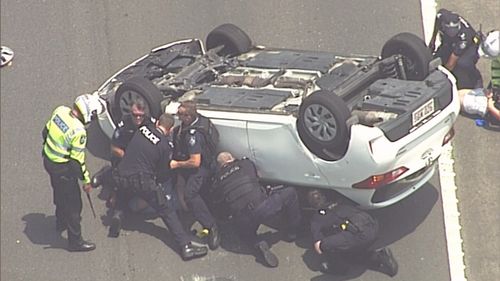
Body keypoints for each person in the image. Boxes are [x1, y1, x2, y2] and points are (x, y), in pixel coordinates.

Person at [113, 113, 208, 260]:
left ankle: (118, 214)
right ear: (170, 130)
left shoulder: (142, 129)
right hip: (142, 181)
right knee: (166, 210)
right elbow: (163, 170)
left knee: (124, 191)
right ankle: (185, 246)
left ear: (157, 123)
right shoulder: (164, 146)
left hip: (121, 175)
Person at [208, 152, 303, 268]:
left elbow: (218, 203)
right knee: (291, 193)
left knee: (244, 234)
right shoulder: (245, 164)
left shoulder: (218, 180)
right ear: (231, 158)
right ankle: (293, 231)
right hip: (263, 207)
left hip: (243, 218)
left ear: (219, 166)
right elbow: (258, 176)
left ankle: (258, 243)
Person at [42, 94, 104, 252]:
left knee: (58, 190)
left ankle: (60, 220)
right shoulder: (79, 131)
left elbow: (45, 131)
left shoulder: (60, 110)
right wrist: (86, 181)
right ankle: (75, 241)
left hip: (49, 161)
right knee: (74, 205)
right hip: (63, 168)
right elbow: (77, 162)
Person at [91, 98, 156, 237]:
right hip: (123, 159)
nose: (137, 118)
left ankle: (118, 213)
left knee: (134, 189)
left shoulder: (151, 125)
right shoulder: (124, 123)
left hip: (141, 164)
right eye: (135, 115)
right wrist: (129, 159)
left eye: (140, 115)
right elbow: (114, 147)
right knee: (122, 184)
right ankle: (106, 176)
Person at [308, 189, 398, 277]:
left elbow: (318, 247)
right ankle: (380, 257)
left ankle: (338, 268)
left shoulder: (317, 218)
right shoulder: (341, 199)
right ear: (324, 197)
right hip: (373, 225)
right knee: (353, 254)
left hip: (359, 234)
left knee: (324, 245)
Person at [170, 100, 220, 251]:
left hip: (201, 167)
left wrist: (176, 164)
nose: (178, 117)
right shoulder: (200, 121)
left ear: (189, 116)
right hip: (201, 160)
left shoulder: (193, 135)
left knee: (190, 194)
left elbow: (195, 162)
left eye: (180, 115)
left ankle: (211, 226)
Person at [428, 8, 482, 89]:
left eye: (455, 29)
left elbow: (451, 64)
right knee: (439, 55)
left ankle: (476, 78)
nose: (453, 31)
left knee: (462, 63)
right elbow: (437, 22)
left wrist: (440, 78)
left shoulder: (463, 38)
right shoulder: (441, 16)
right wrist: (433, 39)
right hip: (452, 41)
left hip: (470, 46)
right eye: (450, 29)